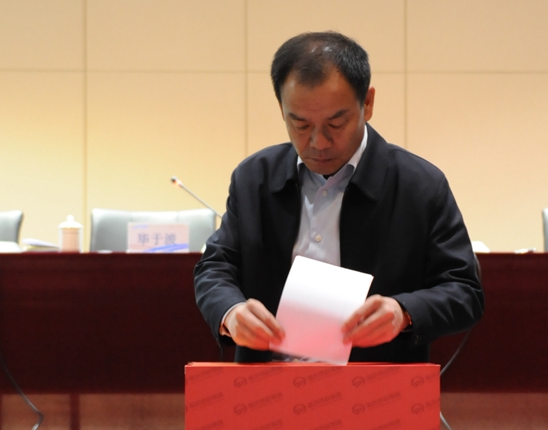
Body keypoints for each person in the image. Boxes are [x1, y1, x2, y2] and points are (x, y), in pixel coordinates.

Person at [194, 31, 483, 363]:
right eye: (301, 125)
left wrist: (403, 312)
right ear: (282, 109)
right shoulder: (254, 178)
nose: (318, 142)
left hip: (376, 385)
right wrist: (230, 311)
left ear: (367, 103)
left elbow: (465, 291)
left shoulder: (419, 185)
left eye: (336, 123)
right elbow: (215, 267)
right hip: (267, 383)